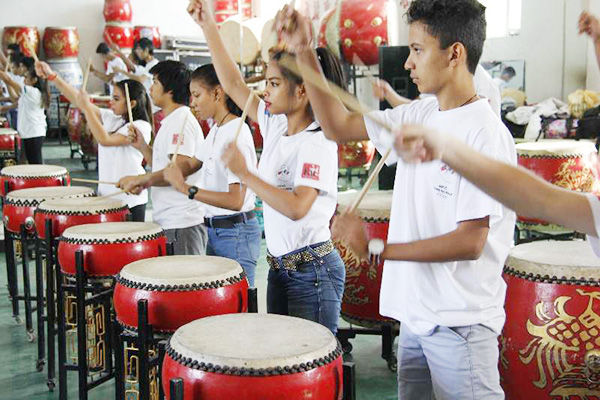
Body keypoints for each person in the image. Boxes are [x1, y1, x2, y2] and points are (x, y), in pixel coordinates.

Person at [275, 0, 516, 398]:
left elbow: (470, 241)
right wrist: (304, 50)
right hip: (416, 320)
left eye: (417, 50)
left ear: (455, 53)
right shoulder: (418, 115)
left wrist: (375, 247)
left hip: (460, 325)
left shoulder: (485, 135)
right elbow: (335, 126)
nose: (407, 63)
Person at [188, 0, 346, 334]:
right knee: (285, 362)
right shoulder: (276, 124)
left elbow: (298, 207)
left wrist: (245, 174)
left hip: (313, 272)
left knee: (308, 363)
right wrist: (208, 27)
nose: (265, 91)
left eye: (274, 84)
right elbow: (233, 84)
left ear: (302, 90)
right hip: (279, 268)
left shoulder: (317, 142)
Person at [392, 124, 600, 252]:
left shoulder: (486, 127)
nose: (410, 63)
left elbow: (538, 199)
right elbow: (538, 199)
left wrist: (446, 148)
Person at [163, 64, 261, 285]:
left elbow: (236, 200)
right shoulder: (216, 130)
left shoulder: (237, 133)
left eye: (197, 95)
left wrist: (187, 189)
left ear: (217, 93)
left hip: (235, 232)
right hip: (215, 229)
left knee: (237, 309)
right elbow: (191, 163)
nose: (192, 103)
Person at [37, 60, 152, 221]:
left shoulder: (140, 126)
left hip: (129, 199)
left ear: (132, 103)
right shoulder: (115, 119)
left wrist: (86, 108)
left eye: (116, 98)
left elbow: (105, 139)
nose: (111, 101)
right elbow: (78, 100)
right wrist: (52, 76)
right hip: (108, 196)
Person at [117, 60, 207, 255]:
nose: (150, 88)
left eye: (155, 82)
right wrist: (142, 146)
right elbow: (166, 167)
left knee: (184, 284)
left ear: (170, 91)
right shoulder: (172, 121)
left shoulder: (180, 122)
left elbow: (179, 171)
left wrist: (142, 179)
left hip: (182, 222)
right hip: (171, 220)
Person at [374, 63, 501, 116]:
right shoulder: (442, 76)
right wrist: (389, 93)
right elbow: (415, 109)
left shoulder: (483, 85)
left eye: (418, 50)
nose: (408, 63)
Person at [0, 59, 48, 164]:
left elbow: (9, 80)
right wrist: (5, 108)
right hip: (28, 132)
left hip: (34, 132)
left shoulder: (33, 92)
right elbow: (14, 99)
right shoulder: (28, 93)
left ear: (34, 80)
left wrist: (5, 76)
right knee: (30, 162)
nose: (24, 79)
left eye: (26, 77)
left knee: (36, 163)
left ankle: (39, 180)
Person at [113, 38, 161, 113]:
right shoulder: (146, 65)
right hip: (149, 104)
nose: (137, 52)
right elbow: (132, 67)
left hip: (154, 107)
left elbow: (141, 79)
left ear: (146, 50)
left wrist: (121, 71)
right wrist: (118, 51)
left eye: (139, 49)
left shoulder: (154, 63)